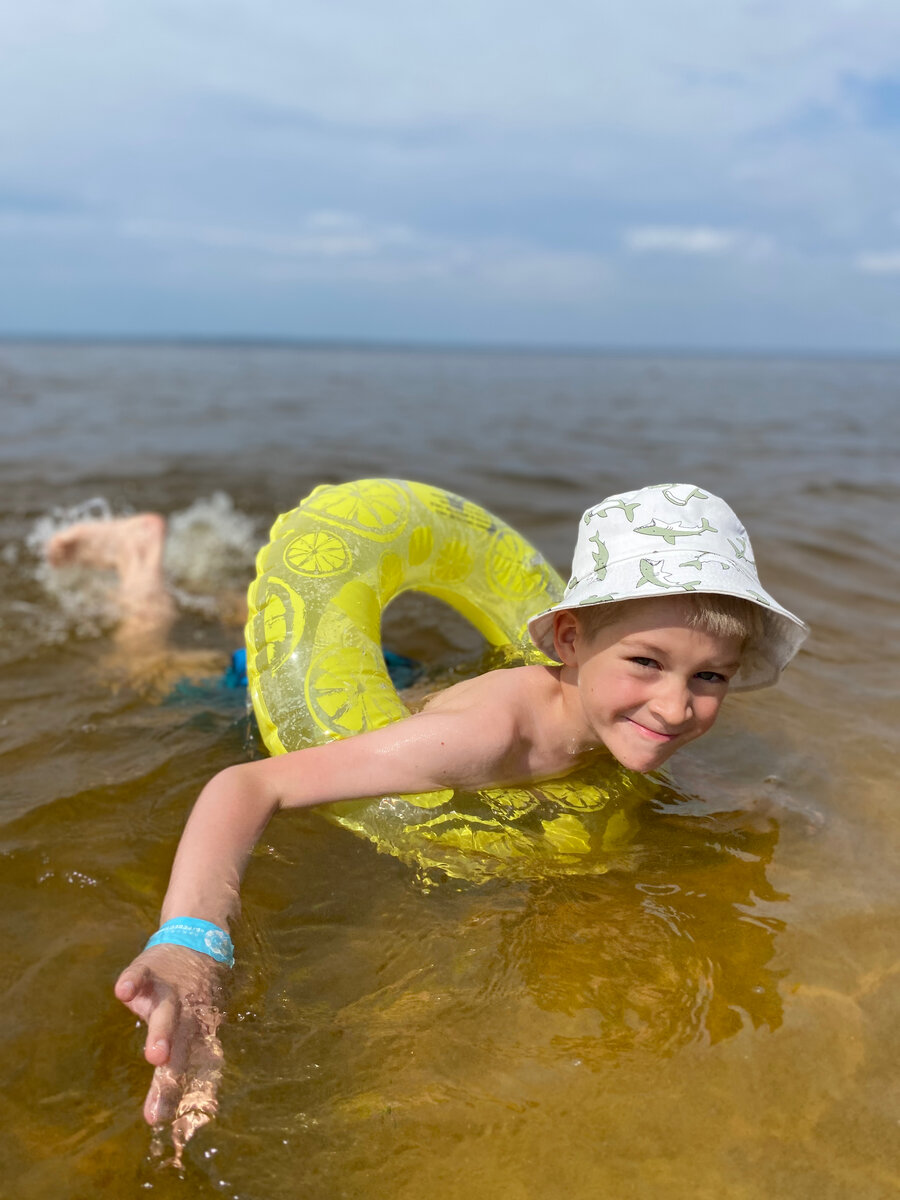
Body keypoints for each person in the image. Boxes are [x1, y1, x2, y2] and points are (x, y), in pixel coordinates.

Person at [52, 483, 808, 1147]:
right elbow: (247, 787)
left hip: (403, 689)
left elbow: (645, 750)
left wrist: (742, 806)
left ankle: (223, 599)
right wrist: (190, 947)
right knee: (148, 674)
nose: (677, 706)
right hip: (308, 711)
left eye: (709, 677)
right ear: (571, 640)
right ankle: (137, 561)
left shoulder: (625, 715)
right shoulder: (484, 739)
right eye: (646, 662)